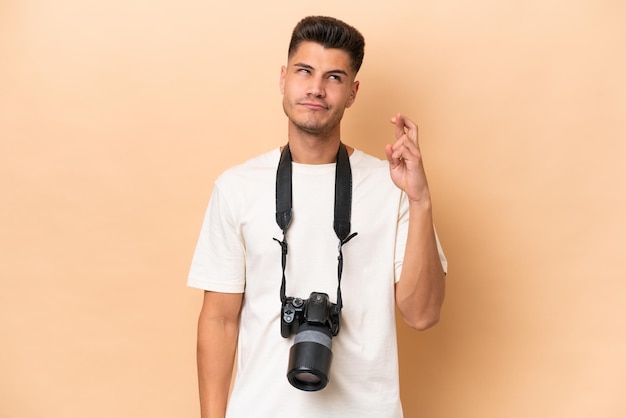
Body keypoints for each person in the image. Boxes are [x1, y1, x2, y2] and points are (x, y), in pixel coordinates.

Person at [187, 15, 447, 418]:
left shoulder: (391, 186)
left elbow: (423, 314)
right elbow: (219, 321)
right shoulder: (236, 187)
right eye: (304, 71)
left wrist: (420, 200)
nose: (316, 88)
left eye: (334, 78)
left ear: (353, 92)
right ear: (283, 78)